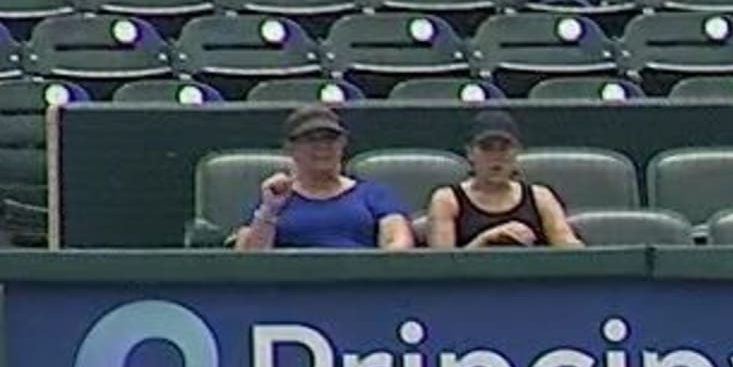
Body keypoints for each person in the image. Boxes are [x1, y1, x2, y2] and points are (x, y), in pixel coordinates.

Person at [233, 105, 415, 251]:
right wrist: (269, 211)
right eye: (310, 139)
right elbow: (250, 259)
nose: (322, 147)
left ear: (343, 144)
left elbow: (398, 243)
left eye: (330, 139)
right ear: (290, 148)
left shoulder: (373, 194)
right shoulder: (272, 198)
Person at [425, 110, 583, 249]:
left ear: (517, 152)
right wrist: (487, 240)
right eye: (487, 148)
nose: (496, 157)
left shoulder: (540, 196)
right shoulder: (447, 200)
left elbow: (567, 247)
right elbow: (443, 264)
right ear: (470, 153)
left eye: (504, 148)